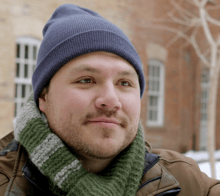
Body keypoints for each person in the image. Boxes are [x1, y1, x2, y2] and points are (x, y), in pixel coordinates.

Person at [0, 4, 219, 196]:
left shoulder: (187, 181)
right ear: (43, 97)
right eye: (86, 80)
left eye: (124, 83)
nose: (111, 100)